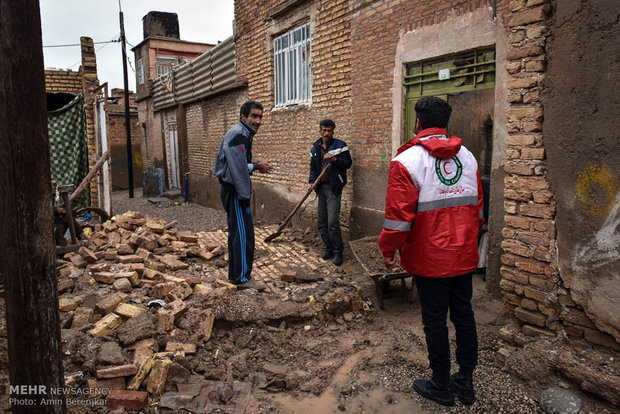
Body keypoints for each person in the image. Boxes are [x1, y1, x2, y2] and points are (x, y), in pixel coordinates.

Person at [378, 96, 484, 407]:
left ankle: (440, 384)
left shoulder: (406, 161)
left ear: (419, 123)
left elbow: (398, 219)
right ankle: (465, 383)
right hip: (463, 255)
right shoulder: (469, 157)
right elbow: (478, 211)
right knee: (464, 315)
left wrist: (388, 250)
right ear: (445, 123)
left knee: (435, 320)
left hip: (430, 258)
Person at [214, 100, 273, 291]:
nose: (257, 120)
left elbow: (238, 163)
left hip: (235, 190)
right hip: (235, 191)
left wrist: (253, 165)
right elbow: (237, 169)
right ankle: (241, 280)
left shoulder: (244, 134)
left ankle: (238, 276)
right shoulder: (238, 134)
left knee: (240, 234)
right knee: (243, 236)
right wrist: (244, 197)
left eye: (260, 116)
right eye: (254, 116)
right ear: (243, 116)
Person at [308, 119, 352, 266]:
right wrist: (311, 182)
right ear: (320, 131)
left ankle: (339, 252)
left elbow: (348, 163)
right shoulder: (315, 148)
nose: (327, 133)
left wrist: (334, 159)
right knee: (322, 222)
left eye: (330, 131)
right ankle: (329, 249)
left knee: (332, 222)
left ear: (333, 132)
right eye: (324, 130)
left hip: (334, 188)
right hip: (321, 188)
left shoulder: (340, 145)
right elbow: (313, 168)